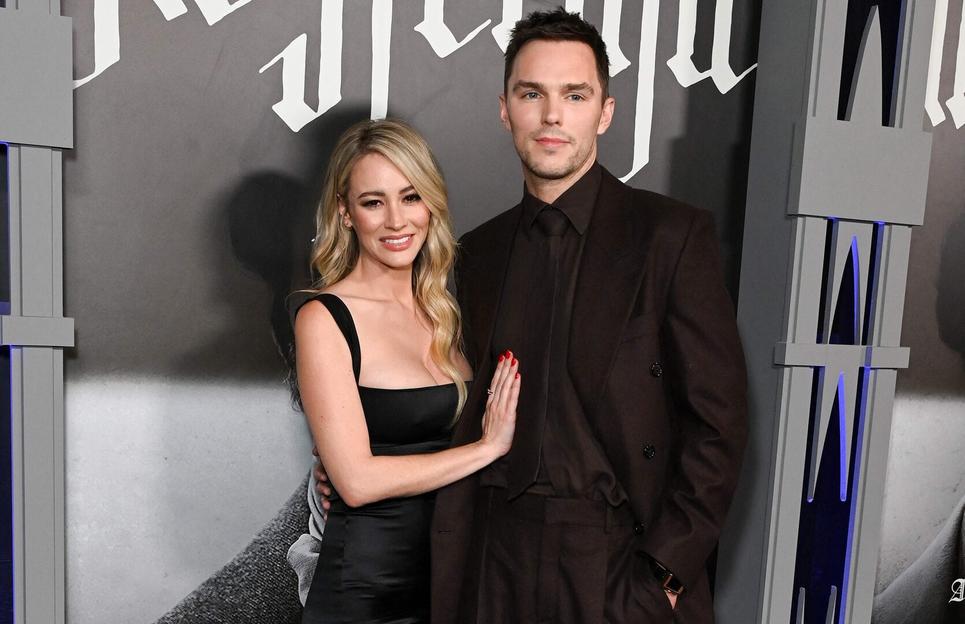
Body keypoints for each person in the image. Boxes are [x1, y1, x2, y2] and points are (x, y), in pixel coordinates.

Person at [425, 8, 748, 624]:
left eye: (574, 95)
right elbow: (446, 397)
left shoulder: (669, 236)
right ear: (505, 110)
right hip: (493, 560)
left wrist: (665, 572)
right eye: (532, 94)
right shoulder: (475, 254)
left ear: (604, 112)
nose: (552, 115)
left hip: (617, 563)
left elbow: (719, 421)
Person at [288, 118, 521, 624]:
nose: (396, 220)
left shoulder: (450, 313)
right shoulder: (324, 318)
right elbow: (356, 481)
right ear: (345, 213)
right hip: (365, 596)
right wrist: (485, 449)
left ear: (430, 203)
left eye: (410, 197)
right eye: (373, 202)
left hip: (455, 583)